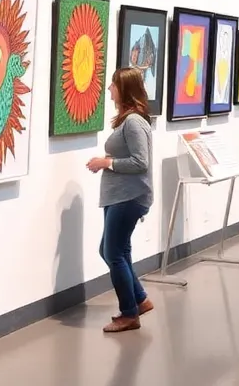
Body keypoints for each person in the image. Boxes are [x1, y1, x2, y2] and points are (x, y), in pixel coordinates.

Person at [85, 67, 154, 333]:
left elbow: (141, 162)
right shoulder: (129, 120)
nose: (109, 89)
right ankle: (140, 300)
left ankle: (129, 313)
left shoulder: (134, 122)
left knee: (111, 252)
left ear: (123, 88)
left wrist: (107, 162)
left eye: (113, 85)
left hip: (130, 196)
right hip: (120, 196)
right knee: (118, 250)